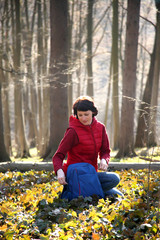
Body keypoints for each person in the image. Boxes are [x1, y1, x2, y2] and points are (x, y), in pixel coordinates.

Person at [52, 96, 123, 198]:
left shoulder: (100, 128)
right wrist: (60, 172)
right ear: (76, 114)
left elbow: (105, 150)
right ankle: (82, 191)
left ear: (93, 112)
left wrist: (104, 160)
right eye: (80, 115)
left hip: (91, 174)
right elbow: (58, 156)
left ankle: (82, 192)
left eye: (86, 114)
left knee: (119, 195)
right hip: (75, 175)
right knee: (114, 178)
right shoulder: (73, 131)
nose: (83, 118)